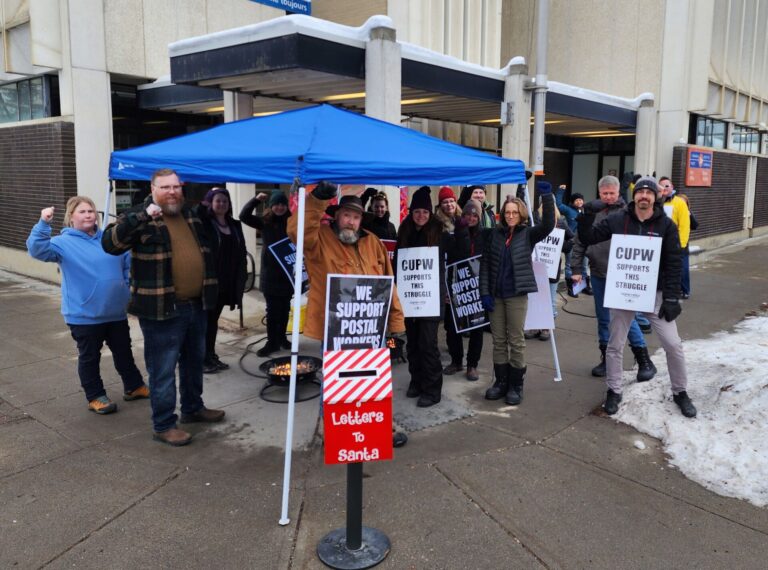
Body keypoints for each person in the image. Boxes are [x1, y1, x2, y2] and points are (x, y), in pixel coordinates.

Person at [102, 168, 225, 447]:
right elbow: (110, 244)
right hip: (161, 309)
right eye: (166, 187)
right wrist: (144, 215)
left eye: (176, 187)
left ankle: (193, 408)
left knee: (194, 362)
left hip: (197, 305)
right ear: (153, 188)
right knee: (163, 370)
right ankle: (164, 424)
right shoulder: (138, 215)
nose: (172, 192)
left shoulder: (190, 214)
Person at [287, 182, 409, 447]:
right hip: (335, 328)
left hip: (371, 327)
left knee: (373, 379)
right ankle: (332, 430)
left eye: (355, 217)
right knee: (336, 381)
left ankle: (379, 425)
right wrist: (317, 200)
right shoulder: (318, 238)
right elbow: (296, 231)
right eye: (346, 216)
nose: (351, 222)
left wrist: (396, 322)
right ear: (337, 215)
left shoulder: (372, 242)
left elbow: (388, 282)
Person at [577, 176, 697, 418]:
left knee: (673, 344)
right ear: (634, 196)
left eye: (649, 193)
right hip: (624, 290)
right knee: (615, 344)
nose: (644, 196)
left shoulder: (667, 226)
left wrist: (673, 298)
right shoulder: (617, 219)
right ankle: (614, 389)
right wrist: (587, 214)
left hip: (656, 292)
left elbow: (674, 263)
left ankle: (680, 392)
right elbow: (588, 237)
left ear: (656, 197)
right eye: (640, 192)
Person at [27, 197, 148, 415]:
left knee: (124, 352)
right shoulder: (62, 243)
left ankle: (134, 386)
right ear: (71, 217)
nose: (88, 215)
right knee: (90, 357)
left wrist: (125, 288)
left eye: (91, 210)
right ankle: (95, 396)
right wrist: (43, 223)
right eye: (82, 211)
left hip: (115, 311)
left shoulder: (110, 240)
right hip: (84, 314)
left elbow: (127, 265)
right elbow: (37, 250)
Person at [571, 175, 656, 381]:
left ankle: (643, 359)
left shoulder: (629, 213)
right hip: (599, 273)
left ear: (619, 193)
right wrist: (576, 268)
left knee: (626, 318)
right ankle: (606, 359)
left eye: (612, 193)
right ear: (599, 193)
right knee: (603, 318)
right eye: (604, 193)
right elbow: (580, 241)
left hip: (623, 276)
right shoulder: (591, 212)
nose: (608, 197)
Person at [479, 181, 555, 406]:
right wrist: (485, 292)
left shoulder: (527, 234)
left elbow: (549, 225)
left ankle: (516, 385)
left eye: (514, 212)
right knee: (498, 341)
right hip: (496, 295)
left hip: (516, 295)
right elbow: (485, 266)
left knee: (516, 340)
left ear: (521, 214)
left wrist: (548, 197)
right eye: (507, 212)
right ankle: (500, 382)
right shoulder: (493, 235)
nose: (510, 216)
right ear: (502, 214)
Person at [395, 186, 457, 407]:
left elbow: (457, 257)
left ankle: (432, 389)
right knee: (412, 343)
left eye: (425, 211)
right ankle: (416, 380)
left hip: (431, 299)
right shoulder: (404, 231)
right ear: (411, 212)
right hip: (409, 299)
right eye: (417, 211)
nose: (420, 215)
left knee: (427, 345)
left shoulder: (439, 232)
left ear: (431, 213)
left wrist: (448, 291)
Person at [196, 187, 247, 372]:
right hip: (210, 281)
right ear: (211, 202)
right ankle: (203, 359)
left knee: (213, 321)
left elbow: (240, 252)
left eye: (225, 201)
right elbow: (196, 212)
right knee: (206, 322)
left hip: (227, 281)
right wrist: (205, 201)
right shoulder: (205, 222)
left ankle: (210, 355)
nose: (221, 204)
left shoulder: (234, 224)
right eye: (217, 200)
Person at [240, 190, 294, 357]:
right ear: (271, 206)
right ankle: (272, 342)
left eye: (283, 204)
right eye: (277, 204)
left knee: (285, 308)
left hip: (288, 272)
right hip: (270, 273)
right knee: (272, 310)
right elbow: (244, 216)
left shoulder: (293, 222)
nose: (280, 207)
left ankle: (282, 338)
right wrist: (255, 200)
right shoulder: (265, 222)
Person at [449, 198, 490, 381]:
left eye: (475, 215)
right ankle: (456, 361)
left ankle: (472, 365)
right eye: (467, 214)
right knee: (452, 327)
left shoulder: (486, 235)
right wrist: (462, 229)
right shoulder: (455, 232)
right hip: (457, 286)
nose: (471, 218)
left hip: (477, 288)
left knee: (477, 328)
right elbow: (458, 255)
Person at [435, 186, 468, 377]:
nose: (449, 204)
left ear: (456, 202)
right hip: (442, 278)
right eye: (445, 202)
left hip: (460, 278)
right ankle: (454, 359)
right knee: (448, 323)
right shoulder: (437, 224)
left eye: (451, 201)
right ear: (440, 205)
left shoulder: (463, 222)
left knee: (457, 323)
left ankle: (459, 361)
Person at [658, 177, 692, 299]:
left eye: (667, 185)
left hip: (677, 243)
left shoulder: (679, 202)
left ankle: (685, 290)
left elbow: (684, 225)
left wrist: (681, 244)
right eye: (662, 186)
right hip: (660, 242)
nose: (665, 188)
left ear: (672, 187)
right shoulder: (657, 201)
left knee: (682, 269)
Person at [555, 186, 590, 297]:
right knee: (570, 265)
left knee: (584, 265)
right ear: (573, 202)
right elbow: (559, 204)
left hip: (584, 242)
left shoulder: (586, 210)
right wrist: (560, 191)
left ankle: (584, 286)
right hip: (572, 242)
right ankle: (571, 288)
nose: (579, 201)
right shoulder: (568, 210)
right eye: (577, 200)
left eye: (581, 199)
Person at [677, 193, 699, 298]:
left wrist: (689, 215)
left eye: (683, 203)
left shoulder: (688, 214)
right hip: (671, 244)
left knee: (684, 269)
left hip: (683, 246)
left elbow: (695, 225)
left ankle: (685, 290)